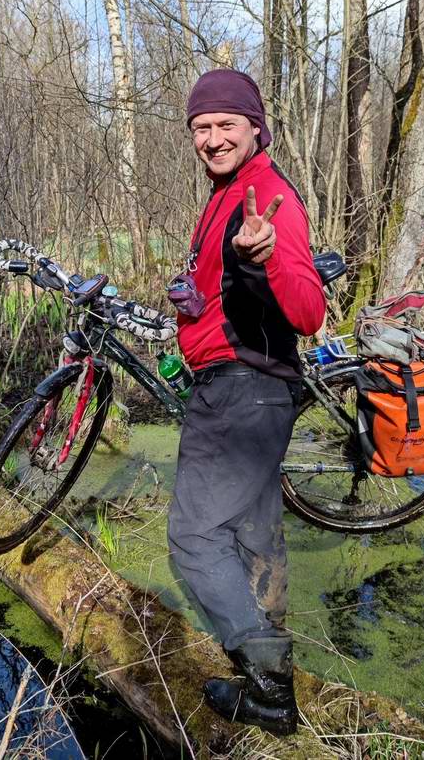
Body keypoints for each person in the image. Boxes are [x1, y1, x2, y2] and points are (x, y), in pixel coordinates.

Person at [167, 70, 326, 735]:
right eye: (201, 128)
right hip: (248, 383)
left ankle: (270, 685)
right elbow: (225, 289)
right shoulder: (225, 192)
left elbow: (309, 310)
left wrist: (263, 260)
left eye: (225, 125)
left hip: (242, 390)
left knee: (194, 540)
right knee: (253, 535)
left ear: (255, 127)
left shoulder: (267, 197)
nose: (211, 138)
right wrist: (193, 302)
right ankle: (268, 670)